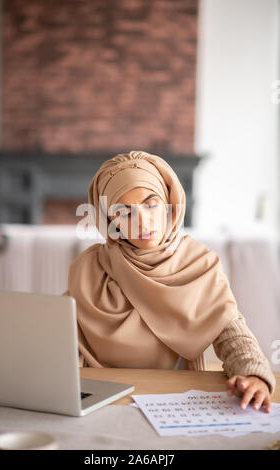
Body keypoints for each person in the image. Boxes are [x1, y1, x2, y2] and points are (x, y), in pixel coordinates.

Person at [62, 150, 276, 413]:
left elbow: (232, 335)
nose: (142, 221)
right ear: (110, 221)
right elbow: (61, 338)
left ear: (168, 203)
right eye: (124, 212)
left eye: (151, 204)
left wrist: (254, 375)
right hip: (102, 402)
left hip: (174, 401)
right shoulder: (90, 268)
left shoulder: (198, 264)